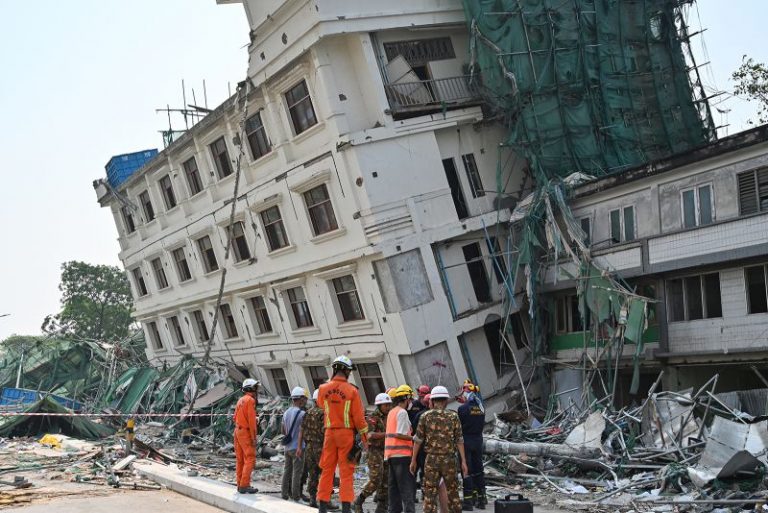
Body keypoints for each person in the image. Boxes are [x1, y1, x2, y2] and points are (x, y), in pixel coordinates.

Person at [317, 356, 369, 513]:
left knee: (327, 470)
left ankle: (322, 507)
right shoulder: (352, 390)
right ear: (346, 371)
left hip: (329, 433)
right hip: (345, 435)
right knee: (346, 472)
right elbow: (359, 419)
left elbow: (321, 404)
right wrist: (365, 440)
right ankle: (346, 508)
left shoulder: (322, 389)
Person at [410, 386, 468, 513]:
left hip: (431, 459)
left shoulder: (425, 416)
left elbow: (418, 440)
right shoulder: (453, 416)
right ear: (446, 400)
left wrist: (413, 460)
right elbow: (459, 440)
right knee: (453, 492)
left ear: (432, 400)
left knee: (430, 494)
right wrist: (463, 461)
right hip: (449, 459)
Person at [354, 392, 392, 513]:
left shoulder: (389, 416)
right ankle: (359, 500)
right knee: (375, 479)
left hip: (385, 451)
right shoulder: (372, 418)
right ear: (379, 406)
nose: (388, 407)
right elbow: (369, 435)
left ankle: (381, 506)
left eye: (389, 405)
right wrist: (387, 435)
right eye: (385, 405)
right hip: (374, 451)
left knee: (385, 479)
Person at [386, 384, 416, 513]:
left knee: (394, 488)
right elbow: (400, 434)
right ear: (406, 398)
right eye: (410, 399)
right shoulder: (402, 412)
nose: (411, 402)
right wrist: (415, 438)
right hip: (402, 455)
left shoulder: (392, 412)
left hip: (390, 455)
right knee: (406, 488)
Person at [458, 381, 486, 510]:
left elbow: (459, 426)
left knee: (467, 470)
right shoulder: (481, 407)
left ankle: (468, 501)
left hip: (466, 442)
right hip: (478, 441)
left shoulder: (462, 409)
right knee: (478, 470)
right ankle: (482, 499)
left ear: (466, 392)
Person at [297, 389, 326, 508]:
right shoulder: (323, 414)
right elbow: (326, 432)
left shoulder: (307, 413)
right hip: (321, 447)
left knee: (312, 473)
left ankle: (313, 498)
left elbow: (301, 430)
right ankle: (325, 500)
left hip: (309, 447)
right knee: (326, 473)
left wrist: (299, 447)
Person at [233, 378, 260, 494]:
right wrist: (254, 438)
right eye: (255, 387)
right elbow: (251, 422)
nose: (256, 390)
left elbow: (234, 417)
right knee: (250, 458)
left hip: (237, 431)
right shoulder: (250, 400)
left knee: (240, 460)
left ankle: (240, 484)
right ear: (250, 388)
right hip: (245, 432)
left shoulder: (240, 400)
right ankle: (244, 485)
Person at [282, 387, 308, 502]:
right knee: (297, 473)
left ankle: (284, 494)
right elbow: (303, 432)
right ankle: (296, 497)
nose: (305, 401)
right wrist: (298, 447)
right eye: (304, 398)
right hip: (297, 448)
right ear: (301, 399)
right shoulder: (302, 413)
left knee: (287, 472)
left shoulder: (286, 412)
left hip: (287, 448)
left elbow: (283, 430)